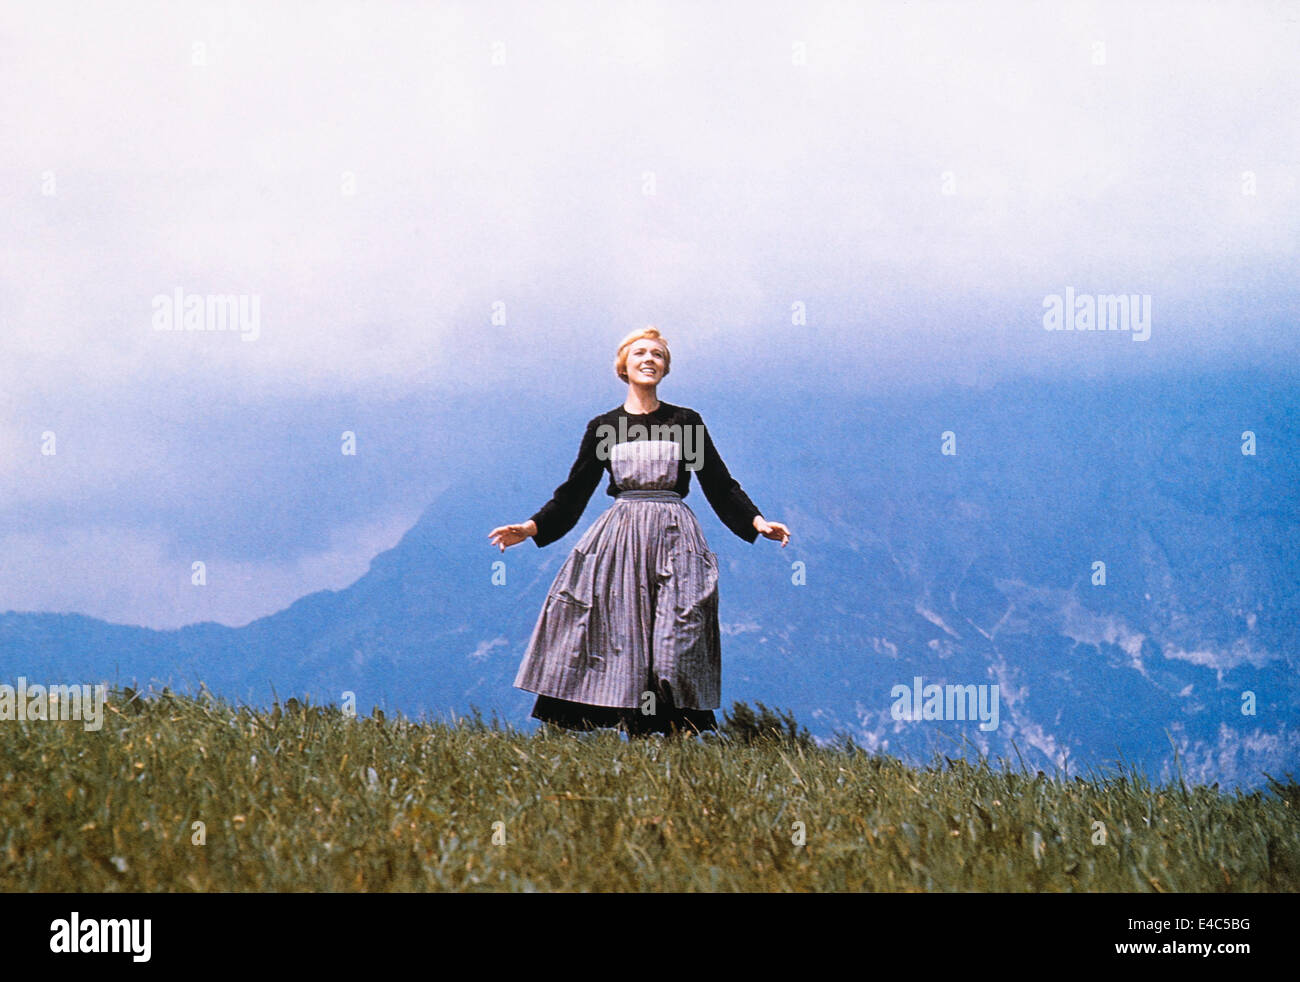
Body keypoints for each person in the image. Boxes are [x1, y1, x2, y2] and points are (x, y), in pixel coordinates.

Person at [489, 328, 790, 737]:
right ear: (623, 366)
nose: (650, 359)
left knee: (677, 639)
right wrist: (529, 527)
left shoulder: (686, 422)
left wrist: (756, 522)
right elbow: (574, 492)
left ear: (665, 368)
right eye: (640, 353)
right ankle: (641, 738)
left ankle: (673, 728)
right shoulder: (604, 427)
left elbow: (719, 483)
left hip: (675, 537)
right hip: (620, 541)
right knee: (620, 642)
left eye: (658, 355)